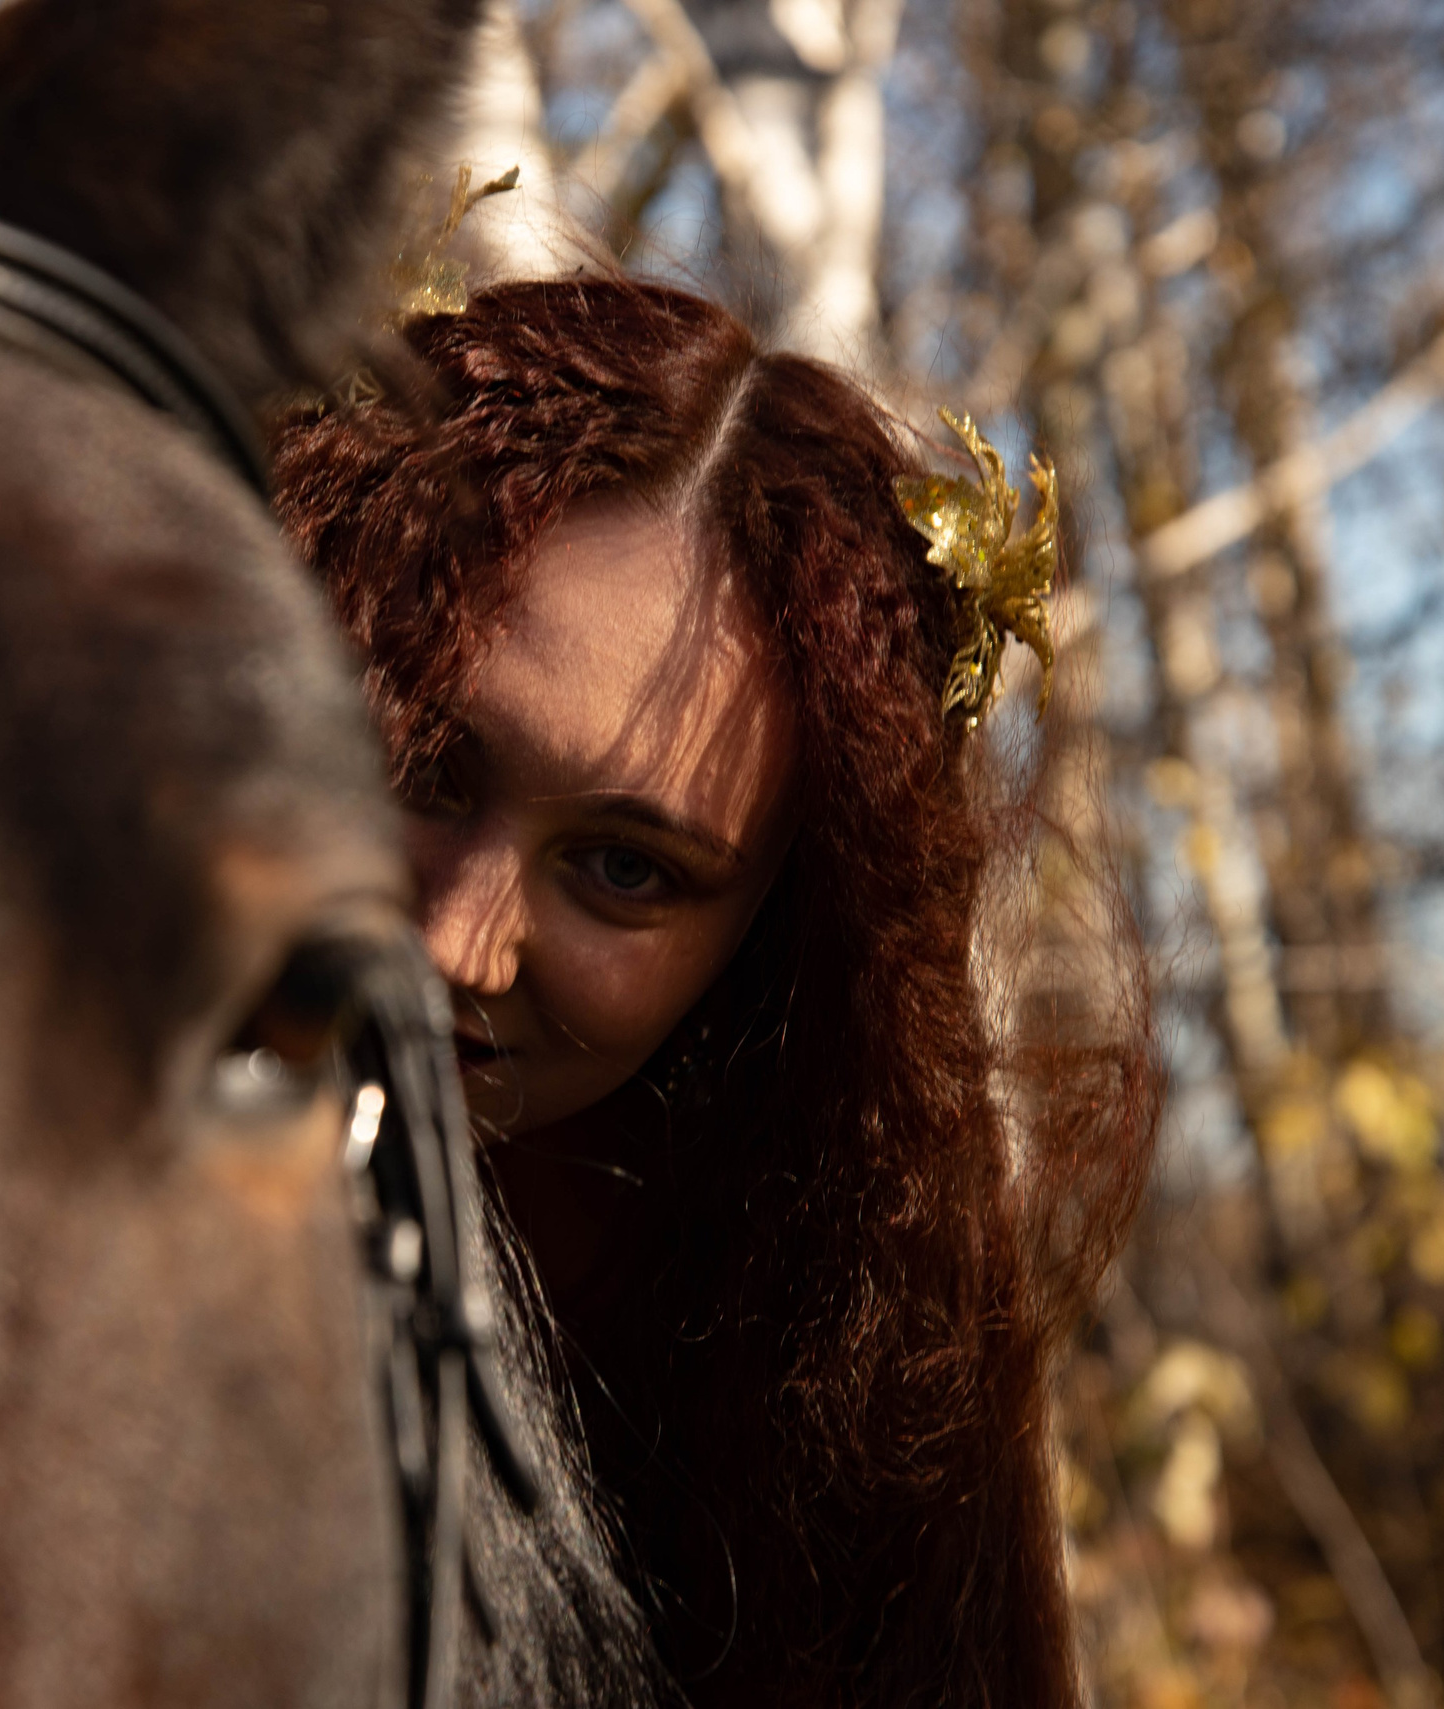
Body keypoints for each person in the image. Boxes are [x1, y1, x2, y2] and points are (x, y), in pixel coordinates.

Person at [273, 276, 1158, 1709]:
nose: (454, 941)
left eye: (624, 869)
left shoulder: (817, 1443)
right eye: (426, 762)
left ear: (764, 952)